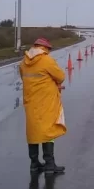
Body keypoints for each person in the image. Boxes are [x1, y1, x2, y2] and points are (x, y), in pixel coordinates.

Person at [20, 37, 66, 174]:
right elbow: (61, 76)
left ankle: (34, 164)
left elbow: (23, 76)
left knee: (33, 132)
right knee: (48, 132)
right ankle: (50, 165)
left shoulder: (24, 62)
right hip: (46, 102)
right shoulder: (47, 60)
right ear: (45, 48)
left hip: (30, 102)